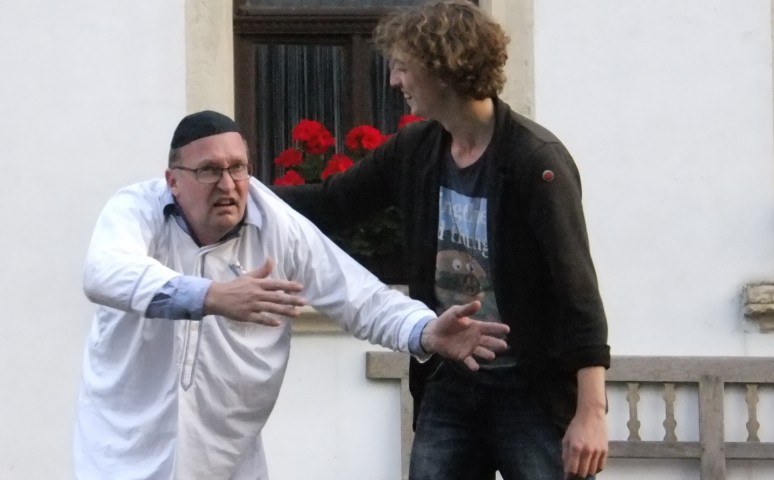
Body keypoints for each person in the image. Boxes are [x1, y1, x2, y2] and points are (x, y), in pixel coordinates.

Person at [73, 109, 511, 480]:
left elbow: (361, 298)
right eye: (208, 170)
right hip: (121, 458)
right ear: (173, 181)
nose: (227, 184)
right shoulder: (136, 210)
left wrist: (425, 330)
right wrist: (212, 296)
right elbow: (104, 273)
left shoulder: (276, 224)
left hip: (227, 462)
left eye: (238, 167)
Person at [272, 1, 610, 479]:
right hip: (451, 380)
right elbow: (333, 203)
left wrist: (591, 414)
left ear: (443, 69)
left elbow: (577, 293)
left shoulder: (536, 161)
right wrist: (242, 193)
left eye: (403, 67)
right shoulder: (415, 150)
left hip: (530, 390)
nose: (395, 81)